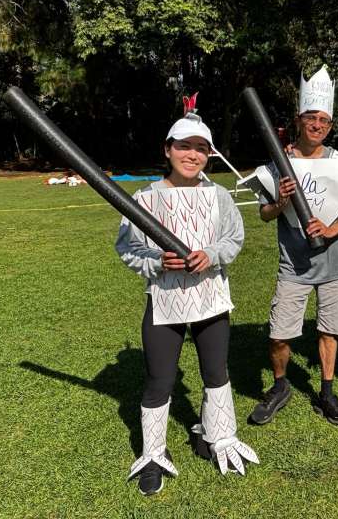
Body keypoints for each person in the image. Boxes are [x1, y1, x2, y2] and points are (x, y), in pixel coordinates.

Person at [115, 96, 257, 495]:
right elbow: (127, 249)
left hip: (211, 297)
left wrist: (209, 255)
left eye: (201, 148)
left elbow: (234, 239)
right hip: (165, 301)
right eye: (184, 146)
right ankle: (154, 453)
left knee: (216, 372)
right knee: (160, 379)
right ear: (167, 149)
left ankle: (217, 436)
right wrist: (158, 261)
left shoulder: (220, 197)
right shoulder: (142, 200)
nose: (192, 155)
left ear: (209, 155)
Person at [249, 67, 338, 426]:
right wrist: (282, 201)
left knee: (329, 330)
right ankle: (281, 385)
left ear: (330, 126)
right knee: (279, 333)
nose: (317, 125)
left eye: (324, 120)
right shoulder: (278, 162)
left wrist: (331, 230)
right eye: (311, 118)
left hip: (335, 265)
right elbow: (265, 215)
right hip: (293, 266)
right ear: (299, 120)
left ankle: (327, 392)